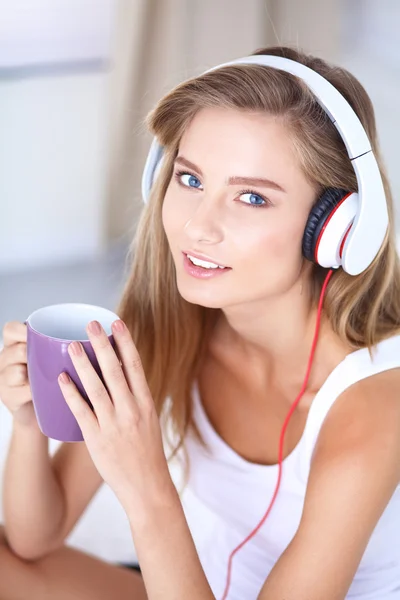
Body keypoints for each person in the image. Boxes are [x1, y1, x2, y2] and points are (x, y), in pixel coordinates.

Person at [1, 44, 400, 600]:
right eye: (190, 181)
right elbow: (31, 540)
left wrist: (146, 487)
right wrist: (26, 426)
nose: (198, 227)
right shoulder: (167, 325)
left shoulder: (372, 406)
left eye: (253, 198)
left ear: (334, 230)